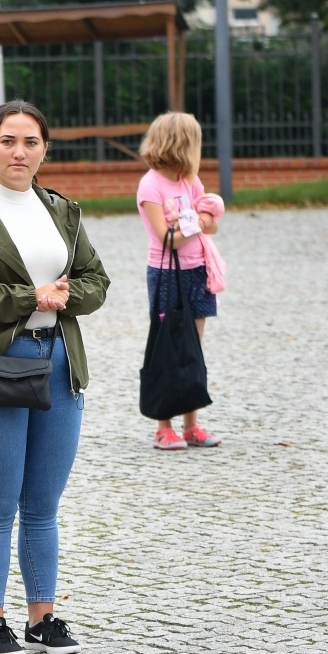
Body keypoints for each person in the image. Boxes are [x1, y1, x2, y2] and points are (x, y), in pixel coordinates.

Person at [0, 99, 110, 654]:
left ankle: (43, 617)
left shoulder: (60, 210)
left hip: (58, 360)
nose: (19, 151)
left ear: (44, 150)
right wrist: (27, 298)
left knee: (43, 505)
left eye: (30, 141)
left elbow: (96, 280)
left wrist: (62, 298)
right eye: (8, 140)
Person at [136, 111, 225, 449]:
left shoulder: (190, 179)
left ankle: (192, 425)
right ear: (181, 144)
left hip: (197, 270)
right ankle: (163, 425)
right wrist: (198, 220)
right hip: (166, 273)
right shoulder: (151, 184)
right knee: (168, 346)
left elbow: (212, 224)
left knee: (192, 350)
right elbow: (166, 237)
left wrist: (193, 222)